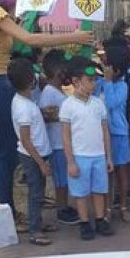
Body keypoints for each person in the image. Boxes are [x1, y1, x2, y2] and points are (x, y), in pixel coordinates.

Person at [0, 0, 93, 217]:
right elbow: (28, 38)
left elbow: (19, 42)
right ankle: (7, 211)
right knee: (7, 152)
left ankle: (15, 206)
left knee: (11, 150)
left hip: (1, 82)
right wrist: (75, 36)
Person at [60, 57, 115, 240]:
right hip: (80, 157)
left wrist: (108, 157)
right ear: (76, 82)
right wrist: (71, 162)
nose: (93, 84)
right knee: (81, 192)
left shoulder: (98, 104)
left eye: (94, 80)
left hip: (98, 155)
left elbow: (105, 131)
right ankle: (84, 222)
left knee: (99, 190)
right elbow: (66, 137)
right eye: (89, 80)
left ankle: (100, 219)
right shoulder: (67, 106)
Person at [8, 58, 53, 246]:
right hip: (32, 156)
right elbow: (26, 140)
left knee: (39, 191)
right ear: (30, 81)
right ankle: (34, 230)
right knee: (35, 193)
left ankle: (39, 223)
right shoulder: (23, 107)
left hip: (37, 154)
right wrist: (41, 163)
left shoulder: (24, 100)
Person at [39, 50, 79, 225]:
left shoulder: (57, 91)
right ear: (57, 72)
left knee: (64, 178)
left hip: (62, 143)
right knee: (61, 180)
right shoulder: (49, 93)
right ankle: (62, 209)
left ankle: (65, 206)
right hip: (57, 144)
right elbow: (48, 115)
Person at [103, 44, 130, 223]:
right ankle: (107, 207)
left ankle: (123, 205)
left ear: (115, 69)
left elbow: (111, 103)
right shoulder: (101, 83)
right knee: (108, 172)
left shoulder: (123, 86)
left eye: (107, 64)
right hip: (105, 135)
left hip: (120, 134)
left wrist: (108, 84)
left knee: (122, 172)